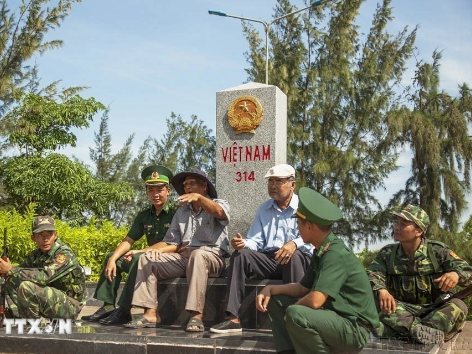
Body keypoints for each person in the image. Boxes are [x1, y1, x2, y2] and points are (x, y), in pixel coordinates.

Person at [256, 187, 379, 354]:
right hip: (335, 319)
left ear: (310, 226)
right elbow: (302, 288)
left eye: (298, 223)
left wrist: (291, 315)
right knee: (277, 301)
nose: (297, 229)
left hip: (354, 328)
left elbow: (315, 300)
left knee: (296, 314)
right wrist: (271, 289)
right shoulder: (321, 250)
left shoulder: (335, 253)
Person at [211, 164, 313, 334]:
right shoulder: (264, 208)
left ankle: (295, 319)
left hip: (298, 259)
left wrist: (294, 243)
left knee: (293, 256)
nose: (273, 186)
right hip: (270, 259)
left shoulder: (304, 207)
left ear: (292, 185)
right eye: (270, 182)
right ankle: (233, 319)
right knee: (240, 255)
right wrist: (242, 243)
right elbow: (256, 241)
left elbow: (313, 237)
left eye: (278, 182)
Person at [127, 169, 230, 332]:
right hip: (184, 258)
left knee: (198, 255)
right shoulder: (182, 211)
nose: (187, 187)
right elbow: (170, 241)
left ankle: (196, 316)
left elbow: (219, 212)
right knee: (147, 260)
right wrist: (146, 251)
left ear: (204, 186)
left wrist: (200, 199)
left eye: (192, 184)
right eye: (185, 185)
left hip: (212, 256)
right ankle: (150, 314)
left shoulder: (219, 203)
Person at [82, 165, 175, 325]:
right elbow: (128, 240)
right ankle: (108, 305)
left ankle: (124, 309)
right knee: (112, 257)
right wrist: (113, 259)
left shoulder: (176, 212)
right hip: (146, 255)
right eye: (151, 190)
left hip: (167, 258)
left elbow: (172, 242)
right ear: (146, 192)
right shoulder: (144, 215)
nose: (155, 194)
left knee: (138, 257)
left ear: (168, 191)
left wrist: (139, 251)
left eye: (160, 190)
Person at [367, 205, 472, 344]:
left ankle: (401, 333)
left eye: (403, 223)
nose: (397, 227)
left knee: (459, 305)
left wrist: (456, 274)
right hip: (400, 310)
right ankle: (421, 332)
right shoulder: (387, 253)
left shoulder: (437, 251)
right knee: (374, 302)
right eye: (397, 222)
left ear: (419, 231)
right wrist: (381, 290)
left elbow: (468, 270)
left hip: (434, 310)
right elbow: (372, 274)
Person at [0, 216, 86, 320]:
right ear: (33, 238)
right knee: (12, 279)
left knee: (26, 285)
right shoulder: (35, 255)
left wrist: (11, 269)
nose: (45, 239)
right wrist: (4, 269)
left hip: (69, 306)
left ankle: (33, 325)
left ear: (55, 235)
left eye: (49, 234)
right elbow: (19, 271)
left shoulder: (64, 254)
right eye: (40, 235)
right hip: (50, 301)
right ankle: (21, 319)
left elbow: (45, 276)